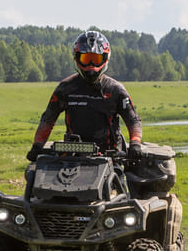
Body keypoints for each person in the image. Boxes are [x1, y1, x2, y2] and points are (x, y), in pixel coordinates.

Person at [27, 30, 143, 162]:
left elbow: (133, 120)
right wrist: (37, 145)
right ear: (77, 58)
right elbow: (47, 120)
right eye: (86, 59)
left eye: (96, 59)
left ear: (105, 59)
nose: (91, 66)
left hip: (110, 158)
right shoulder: (65, 88)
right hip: (72, 156)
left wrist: (135, 143)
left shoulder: (116, 90)